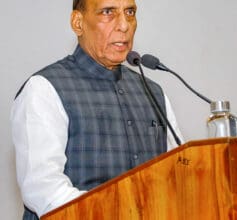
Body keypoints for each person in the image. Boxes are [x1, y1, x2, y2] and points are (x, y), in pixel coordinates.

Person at [10, 0, 183, 219]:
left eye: (130, 12)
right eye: (108, 12)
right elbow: (44, 190)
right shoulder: (44, 89)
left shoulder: (154, 92)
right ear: (78, 22)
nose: (124, 25)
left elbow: (180, 175)